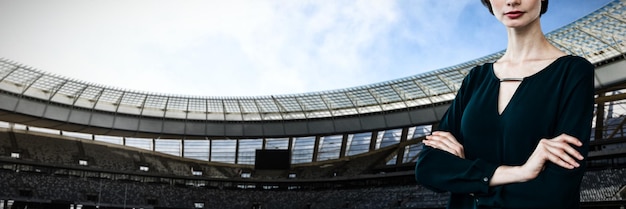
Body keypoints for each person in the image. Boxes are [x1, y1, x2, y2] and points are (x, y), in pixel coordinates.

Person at [414, 0, 595, 208]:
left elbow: (556, 192)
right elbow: (427, 167)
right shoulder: (476, 78)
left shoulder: (573, 73)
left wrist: (468, 180)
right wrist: (521, 172)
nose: (512, 1)